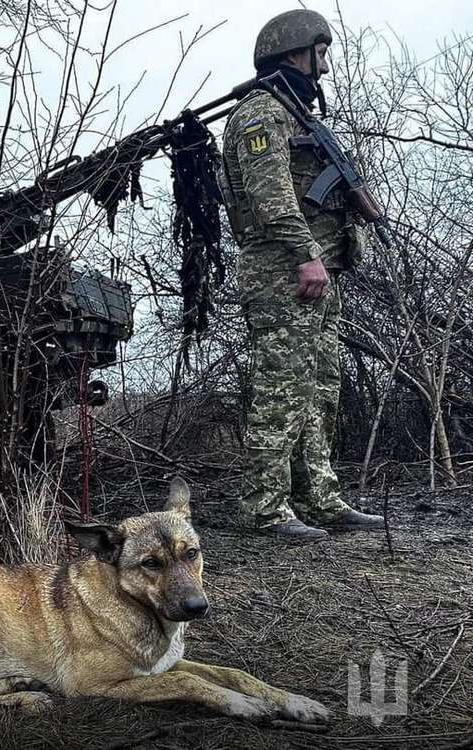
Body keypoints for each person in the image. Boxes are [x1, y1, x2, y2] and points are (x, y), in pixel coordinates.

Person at [219, 9, 383, 541]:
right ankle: (264, 507)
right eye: (321, 52)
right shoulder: (261, 114)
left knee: (320, 390)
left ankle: (319, 498)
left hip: (317, 272)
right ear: (294, 52)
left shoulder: (298, 114)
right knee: (281, 389)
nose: (326, 65)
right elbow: (271, 197)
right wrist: (306, 254)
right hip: (284, 271)